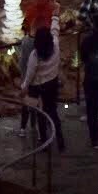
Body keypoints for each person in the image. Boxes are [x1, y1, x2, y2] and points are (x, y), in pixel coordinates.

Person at [21, 22, 67, 151]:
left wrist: (24, 87)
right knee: (52, 111)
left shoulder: (35, 56)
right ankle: (60, 139)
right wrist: (55, 16)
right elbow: (55, 31)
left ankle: (44, 142)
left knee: (41, 113)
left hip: (37, 87)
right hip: (52, 83)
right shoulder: (56, 47)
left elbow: (29, 75)